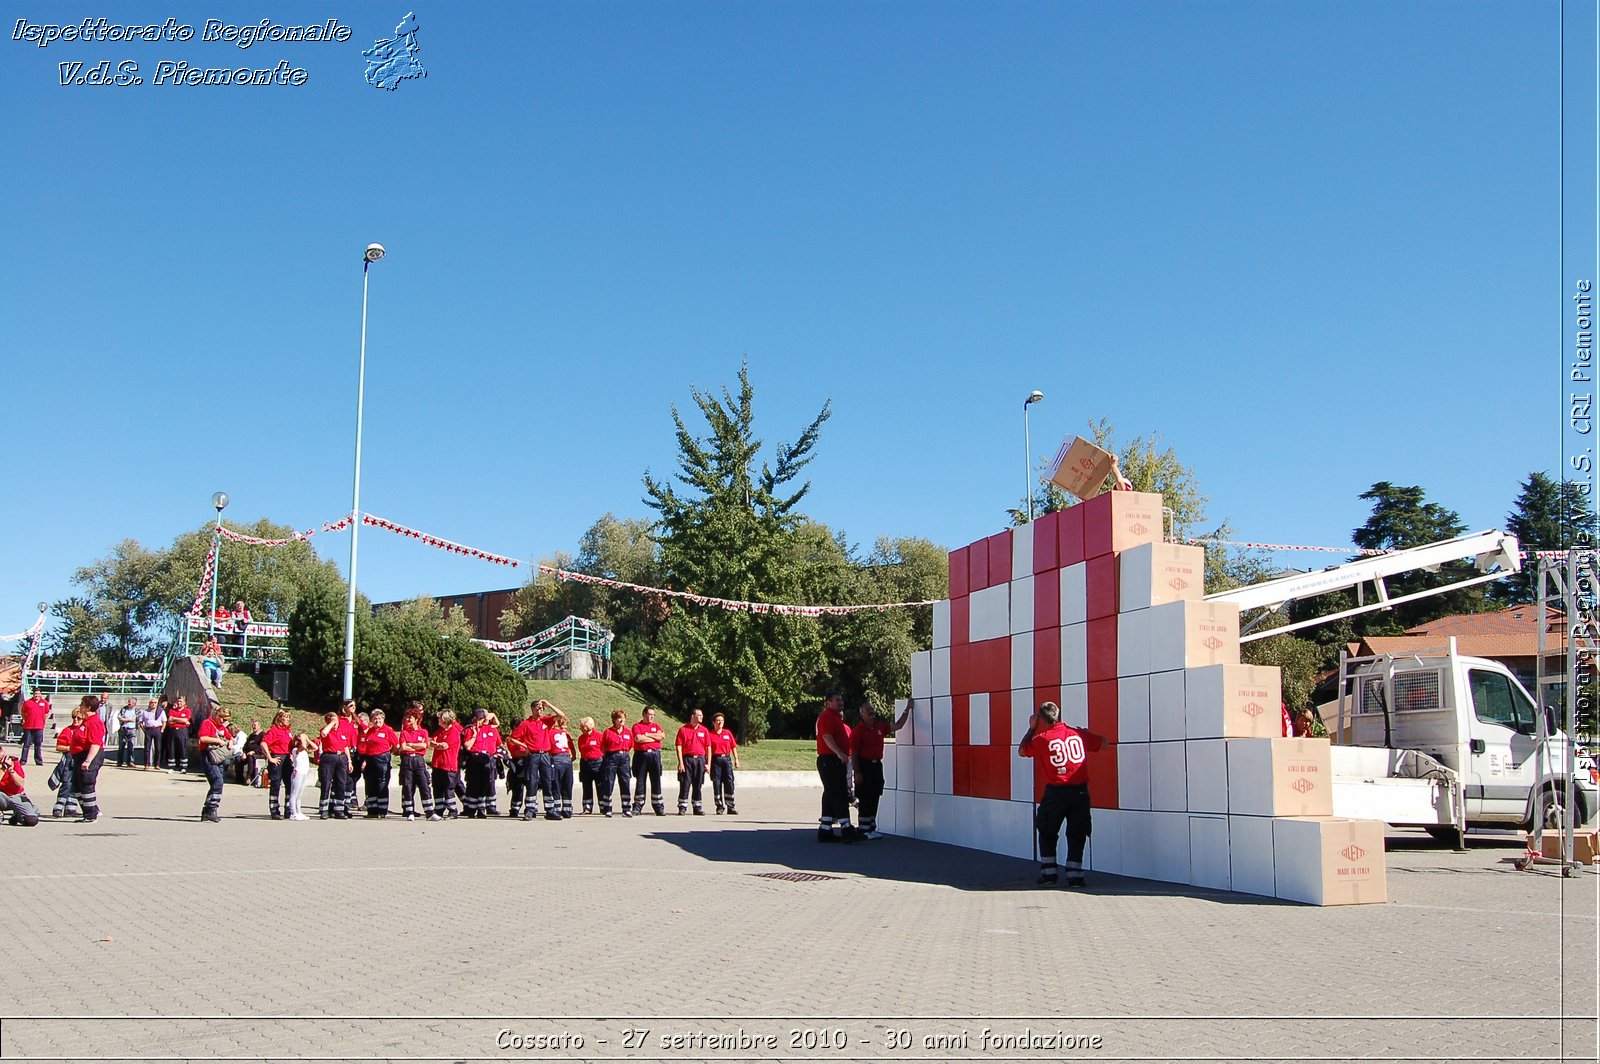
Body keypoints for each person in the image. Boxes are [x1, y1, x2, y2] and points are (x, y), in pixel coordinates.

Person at [1018, 700, 1106, 887]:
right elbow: (1104, 743)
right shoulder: (1077, 734)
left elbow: (1022, 751)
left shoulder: (1043, 738)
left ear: (1041, 719)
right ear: (1058, 714)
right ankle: (1075, 875)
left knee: (1047, 830)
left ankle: (1049, 874)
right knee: (1078, 832)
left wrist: (1031, 729)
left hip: (1056, 792)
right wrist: (1086, 733)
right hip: (1080, 792)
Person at [851, 697, 913, 839]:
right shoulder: (858, 731)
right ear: (862, 714)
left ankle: (872, 828)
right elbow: (853, 753)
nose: (871, 713)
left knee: (875, 795)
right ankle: (863, 829)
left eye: (872, 710)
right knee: (865, 797)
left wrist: (907, 709)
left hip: (876, 765)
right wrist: (858, 772)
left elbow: (898, 725)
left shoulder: (880, 726)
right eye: (868, 711)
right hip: (864, 765)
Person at [815, 693, 860, 842]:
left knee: (830, 793)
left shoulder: (836, 718)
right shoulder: (827, 716)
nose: (841, 702)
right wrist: (840, 753)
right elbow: (827, 737)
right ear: (829, 703)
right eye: (837, 700)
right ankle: (847, 828)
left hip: (834, 760)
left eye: (841, 700)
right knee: (839, 794)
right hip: (830, 760)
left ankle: (825, 830)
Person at [505, 704, 547, 821]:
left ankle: (532, 808)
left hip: (529, 762)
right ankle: (514, 809)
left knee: (532, 785)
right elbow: (517, 752)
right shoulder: (511, 740)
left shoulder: (525, 736)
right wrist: (530, 750)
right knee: (517, 788)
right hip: (518, 764)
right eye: (517, 727)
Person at [397, 704, 437, 821]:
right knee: (408, 786)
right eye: (407, 718)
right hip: (407, 761)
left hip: (419, 761)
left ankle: (429, 812)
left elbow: (425, 745)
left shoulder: (423, 732)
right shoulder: (404, 733)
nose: (408, 720)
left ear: (416, 719)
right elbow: (403, 747)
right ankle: (409, 811)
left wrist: (412, 745)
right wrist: (415, 747)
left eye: (410, 718)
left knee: (424, 785)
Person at [196, 705, 236, 823]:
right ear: (217, 715)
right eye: (222, 718)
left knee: (216, 783)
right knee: (218, 781)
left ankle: (206, 811)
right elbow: (202, 738)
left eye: (226, 719)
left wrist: (230, 742)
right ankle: (212, 809)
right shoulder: (207, 723)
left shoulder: (222, 727)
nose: (224, 722)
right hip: (208, 755)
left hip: (220, 758)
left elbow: (230, 738)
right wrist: (217, 740)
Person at [461, 709, 501, 818]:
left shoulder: (489, 728)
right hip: (474, 759)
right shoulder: (470, 730)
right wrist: (474, 734)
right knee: (473, 785)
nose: (482, 721)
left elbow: (496, 723)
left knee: (485, 785)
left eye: (483, 718)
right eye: (479, 719)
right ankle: (470, 810)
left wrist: (489, 715)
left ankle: (481, 809)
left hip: (487, 759)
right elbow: (468, 746)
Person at [359, 709, 398, 818]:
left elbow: (396, 745)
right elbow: (366, 748)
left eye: (379, 718)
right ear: (371, 720)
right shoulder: (370, 731)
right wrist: (365, 761)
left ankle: (382, 810)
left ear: (383, 719)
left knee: (382, 784)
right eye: (375, 719)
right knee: (370, 785)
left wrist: (389, 754)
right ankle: (372, 810)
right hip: (370, 760)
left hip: (382, 760)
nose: (377, 721)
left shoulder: (388, 730)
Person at [629, 705, 667, 816]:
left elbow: (662, 736)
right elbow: (638, 739)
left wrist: (647, 735)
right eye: (649, 714)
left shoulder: (656, 725)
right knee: (641, 781)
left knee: (656, 781)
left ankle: (658, 806)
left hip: (655, 756)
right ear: (644, 714)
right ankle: (638, 806)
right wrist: (654, 738)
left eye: (653, 715)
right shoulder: (637, 726)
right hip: (642, 756)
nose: (651, 717)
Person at [74, 693, 106, 823]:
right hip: (79, 755)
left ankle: (91, 814)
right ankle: (89, 810)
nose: (80, 706)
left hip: (90, 756)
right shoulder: (86, 721)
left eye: (82, 704)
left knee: (87, 784)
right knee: (77, 786)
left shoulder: (94, 722)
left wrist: (88, 761)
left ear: (87, 707)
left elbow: (95, 743)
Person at [318, 711, 354, 820]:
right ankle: (324, 810)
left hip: (341, 758)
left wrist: (349, 761)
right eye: (333, 719)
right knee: (326, 784)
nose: (336, 722)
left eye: (336, 720)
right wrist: (331, 723)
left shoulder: (341, 732)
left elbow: (346, 746)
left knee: (341, 784)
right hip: (329, 757)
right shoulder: (326, 730)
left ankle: (339, 810)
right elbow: (323, 733)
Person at [598, 709, 634, 817]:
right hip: (611, 757)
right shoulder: (608, 732)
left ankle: (626, 808)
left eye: (623, 718)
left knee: (625, 782)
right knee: (609, 782)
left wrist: (624, 754)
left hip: (624, 758)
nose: (622, 720)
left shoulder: (628, 732)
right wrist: (610, 755)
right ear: (614, 720)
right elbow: (603, 747)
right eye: (619, 718)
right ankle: (607, 808)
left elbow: (631, 745)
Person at [674, 709, 710, 816]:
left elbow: (708, 748)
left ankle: (697, 807)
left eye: (702, 716)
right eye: (699, 716)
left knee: (698, 784)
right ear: (693, 716)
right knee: (685, 784)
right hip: (687, 759)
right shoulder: (683, 729)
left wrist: (708, 763)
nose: (701, 718)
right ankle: (682, 806)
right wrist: (680, 762)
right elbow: (679, 747)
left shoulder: (704, 731)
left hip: (700, 760)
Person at [260, 710, 295, 819]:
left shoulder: (288, 731)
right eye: (285, 717)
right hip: (278, 757)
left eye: (289, 717)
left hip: (287, 759)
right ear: (279, 718)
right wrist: (270, 758)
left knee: (289, 784)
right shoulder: (274, 730)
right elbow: (263, 743)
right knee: (276, 784)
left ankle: (289, 809)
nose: (288, 719)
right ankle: (274, 810)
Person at [49, 708, 84, 818]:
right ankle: (58, 807)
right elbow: (59, 747)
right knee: (66, 783)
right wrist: (70, 747)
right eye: (74, 717)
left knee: (76, 784)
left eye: (79, 718)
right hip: (69, 759)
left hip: (81, 759)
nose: (76, 720)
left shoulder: (85, 730)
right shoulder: (67, 730)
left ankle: (71, 808)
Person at [429, 709, 462, 819]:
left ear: (445, 720)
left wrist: (437, 744)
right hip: (437, 764)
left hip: (448, 765)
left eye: (440, 718)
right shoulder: (440, 731)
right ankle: (439, 809)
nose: (438, 720)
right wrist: (437, 744)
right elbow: (432, 742)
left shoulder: (454, 732)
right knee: (437, 787)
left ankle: (453, 810)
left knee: (448, 789)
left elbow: (444, 746)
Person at [707, 712, 739, 815]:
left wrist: (736, 759)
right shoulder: (710, 735)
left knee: (729, 782)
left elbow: (733, 746)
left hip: (726, 760)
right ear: (713, 722)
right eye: (718, 721)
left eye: (722, 720)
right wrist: (707, 763)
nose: (720, 722)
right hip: (716, 760)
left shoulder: (727, 733)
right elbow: (708, 750)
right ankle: (719, 806)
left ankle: (731, 806)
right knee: (717, 783)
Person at [546, 708, 574, 819]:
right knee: (567, 785)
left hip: (556, 759)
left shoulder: (549, 733)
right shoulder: (563, 733)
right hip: (567, 759)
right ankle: (567, 809)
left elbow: (548, 747)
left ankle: (556, 808)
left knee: (556, 785)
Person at [0, 752, 41, 826]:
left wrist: (11, 770)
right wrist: (3, 768)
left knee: (31, 821)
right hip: (2, 796)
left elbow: (21, 783)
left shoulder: (14, 762)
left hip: (17, 795)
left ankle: (28, 811)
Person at [576, 717, 603, 814]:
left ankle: (603, 806)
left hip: (597, 763)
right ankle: (587, 807)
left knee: (600, 785)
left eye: (582, 727)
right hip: (585, 763)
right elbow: (581, 749)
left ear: (587, 727)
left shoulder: (599, 736)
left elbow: (604, 749)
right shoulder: (581, 738)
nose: (580, 729)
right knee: (586, 785)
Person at [285, 733, 315, 821]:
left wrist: (308, 739)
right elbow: (302, 746)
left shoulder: (305, 750)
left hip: (304, 773)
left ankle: (299, 812)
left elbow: (315, 747)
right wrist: (302, 739)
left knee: (299, 795)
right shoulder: (295, 750)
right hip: (297, 772)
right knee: (294, 794)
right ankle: (293, 813)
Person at [19, 689, 49, 766]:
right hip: (28, 726)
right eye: (35, 694)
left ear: (40, 694)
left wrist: (43, 720)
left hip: (39, 727)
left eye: (38, 694)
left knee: (38, 745)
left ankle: (38, 760)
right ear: (33, 694)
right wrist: (24, 719)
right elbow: (23, 712)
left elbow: (47, 713)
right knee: (26, 744)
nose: (36, 695)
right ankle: (23, 760)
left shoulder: (44, 703)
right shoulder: (28, 702)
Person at [165, 696, 192, 773]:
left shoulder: (187, 711)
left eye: (181, 701)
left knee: (183, 748)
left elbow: (185, 720)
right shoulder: (172, 710)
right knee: (171, 748)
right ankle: (171, 767)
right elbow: (169, 721)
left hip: (182, 731)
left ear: (184, 703)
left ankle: (183, 766)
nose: (179, 703)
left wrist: (175, 719)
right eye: (178, 701)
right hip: (173, 730)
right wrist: (180, 720)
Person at [138, 699, 165, 770]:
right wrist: (144, 730)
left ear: (157, 704)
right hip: (148, 730)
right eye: (152, 702)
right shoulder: (145, 712)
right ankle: (147, 764)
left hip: (157, 730)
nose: (153, 704)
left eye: (155, 702)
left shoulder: (161, 711)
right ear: (149, 703)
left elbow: (164, 722)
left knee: (158, 748)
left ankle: (157, 764)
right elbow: (141, 722)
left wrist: (162, 730)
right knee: (147, 748)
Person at [115, 698, 138, 768]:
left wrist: (125, 719)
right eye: (128, 702)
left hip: (132, 730)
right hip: (123, 730)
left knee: (131, 747)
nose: (128, 703)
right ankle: (119, 762)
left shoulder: (137, 710)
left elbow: (136, 719)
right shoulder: (124, 709)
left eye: (130, 703)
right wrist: (129, 719)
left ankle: (130, 762)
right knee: (121, 747)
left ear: (134, 704)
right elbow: (119, 718)